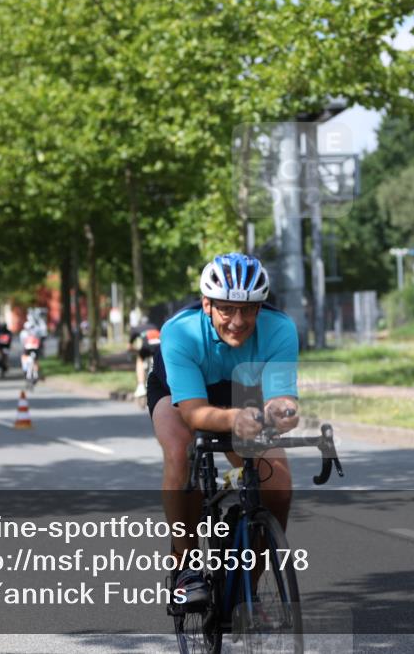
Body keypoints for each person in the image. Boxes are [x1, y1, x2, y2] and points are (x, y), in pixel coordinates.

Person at [148, 253, 299, 606]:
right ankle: (186, 568)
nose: (237, 321)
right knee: (180, 451)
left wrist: (283, 412)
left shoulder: (280, 330)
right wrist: (235, 420)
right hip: (180, 391)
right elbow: (196, 414)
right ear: (207, 304)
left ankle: (247, 588)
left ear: (261, 308)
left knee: (278, 486)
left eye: (248, 310)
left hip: (242, 389)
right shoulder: (180, 331)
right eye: (226, 309)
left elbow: (281, 399)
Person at [129, 314, 160, 399]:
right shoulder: (155, 326)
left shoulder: (136, 329)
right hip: (158, 346)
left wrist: (133, 350)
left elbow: (130, 345)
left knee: (139, 359)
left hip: (146, 347)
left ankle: (141, 386)